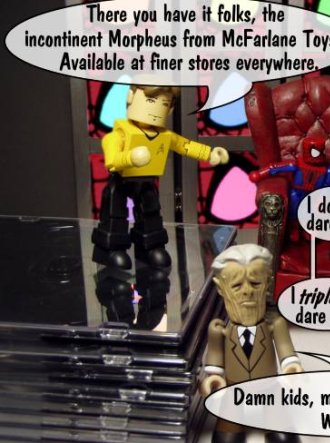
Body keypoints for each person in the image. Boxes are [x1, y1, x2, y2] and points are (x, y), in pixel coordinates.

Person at [92, 83, 229, 269]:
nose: (156, 109)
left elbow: (185, 145)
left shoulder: (164, 135)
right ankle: (110, 249)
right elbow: (112, 160)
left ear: (170, 109)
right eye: (150, 100)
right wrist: (130, 157)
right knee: (114, 214)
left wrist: (210, 154)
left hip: (146, 181)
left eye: (164, 104)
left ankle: (151, 247)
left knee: (151, 213)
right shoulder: (118, 134)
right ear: (131, 97)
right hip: (121, 181)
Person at [201, 244, 302, 443]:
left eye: (255, 283)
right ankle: (232, 426)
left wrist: (291, 365)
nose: (247, 291)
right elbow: (215, 356)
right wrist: (213, 376)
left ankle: (275, 424)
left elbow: (285, 349)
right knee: (228, 427)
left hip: (269, 384)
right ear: (221, 287)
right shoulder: (219, 330)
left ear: (267, 282)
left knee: (277, 417)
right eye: (237, 286)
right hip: (233, 386)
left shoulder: (276, 325)